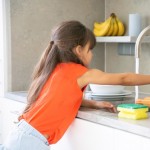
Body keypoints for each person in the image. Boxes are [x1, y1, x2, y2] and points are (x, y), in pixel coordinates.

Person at [1, 20, 150, 150]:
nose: (91, 54)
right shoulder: (80, 73)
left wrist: (94, 104)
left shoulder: (55, 69)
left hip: (21, 136)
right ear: (79, 50)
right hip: (29, 142)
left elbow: (61, 99)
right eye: (89, 49)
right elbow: (124, 79)